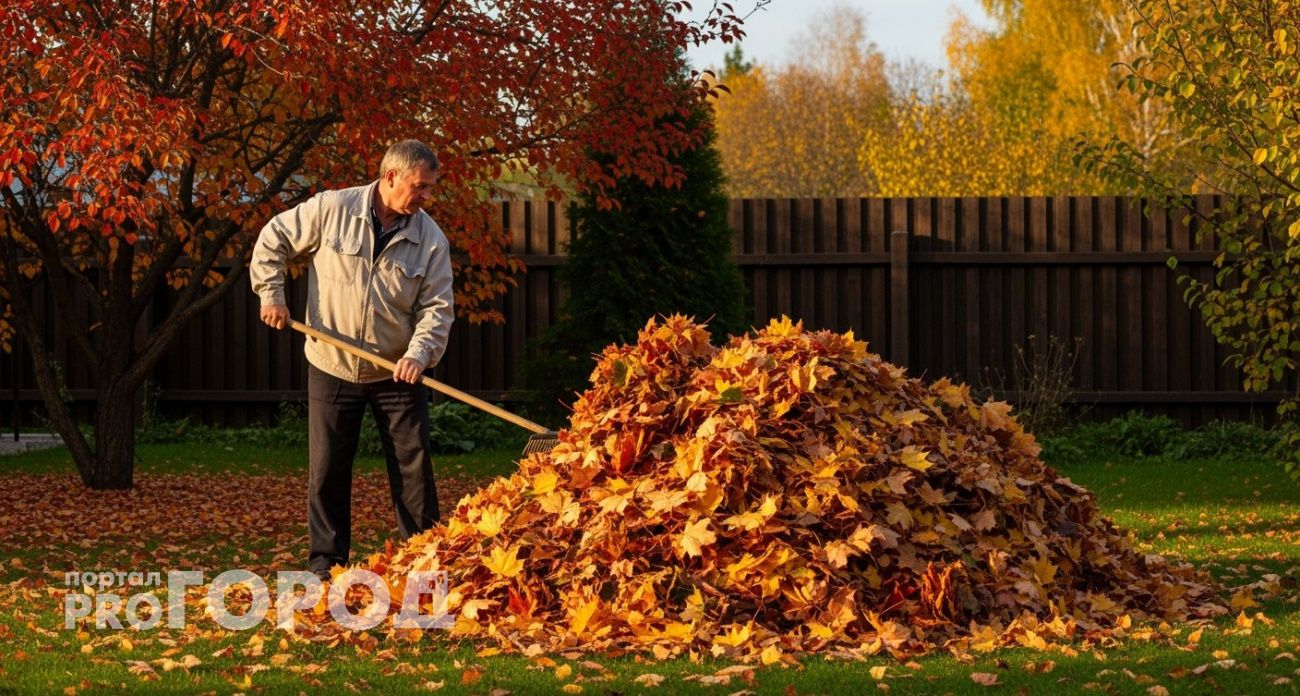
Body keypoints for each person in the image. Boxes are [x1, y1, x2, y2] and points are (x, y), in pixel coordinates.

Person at [249, 139, 454, 581]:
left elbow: (438, 308)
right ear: (391, 177)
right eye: (420, 187)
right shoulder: (332, 209)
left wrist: (419, 355)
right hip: (332, 363)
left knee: (413, 472)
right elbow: (274, 239)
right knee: (327, 469)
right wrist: (273, 294)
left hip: (397, 371)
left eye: (430, 188)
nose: (426, 197)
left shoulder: (430, 239)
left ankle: (425, 564)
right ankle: (326, 565)